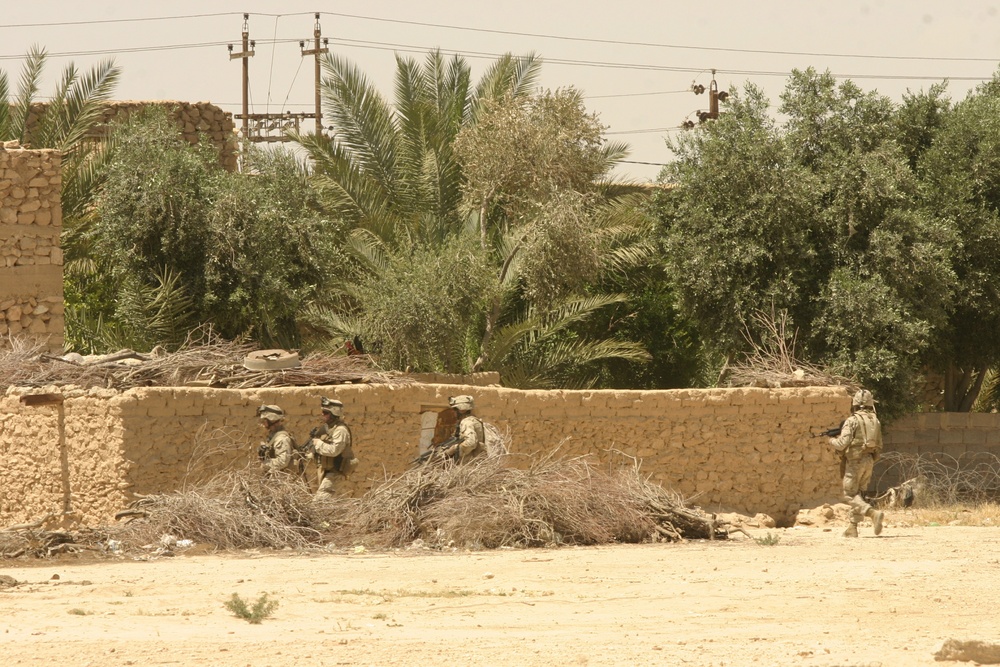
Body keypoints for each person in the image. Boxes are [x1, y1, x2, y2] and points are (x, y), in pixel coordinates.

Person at [829, 389, 885, 537]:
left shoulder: (852, 420)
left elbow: (842, 443)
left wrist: (831, 440)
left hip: (855, 461)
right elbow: (879, 444)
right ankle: (852, 528)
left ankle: (872, 513)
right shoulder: (875, 420)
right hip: (869, 460)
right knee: (858, 494)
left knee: (849, 494)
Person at [308, 396, 355, 499]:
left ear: (334, 413)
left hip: (335, 474)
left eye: (325, 413)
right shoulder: (328, 429)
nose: (322, 415)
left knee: (319, 503)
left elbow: (334, 451)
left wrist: (318, 443)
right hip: (326, 472)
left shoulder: (340, 430)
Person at [443, 395, 485, 464]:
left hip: (469, 464)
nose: (453, 412)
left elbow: (471, 443)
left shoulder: (467, 422)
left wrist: (454, 449)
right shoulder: (473, 420)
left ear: (461, 410)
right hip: (474, 463)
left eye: (455, 409)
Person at [256, 404, 296, 476]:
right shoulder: (273, 435)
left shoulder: (281, 438)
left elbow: (283, 461)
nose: (263, 423)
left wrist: (265, 463)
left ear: (272, 420)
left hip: (283, 480)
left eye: (264, 420)